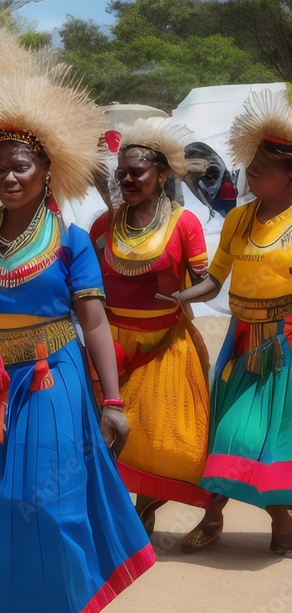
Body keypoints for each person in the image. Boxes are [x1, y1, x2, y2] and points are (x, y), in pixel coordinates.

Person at [0, 30, 152, 613]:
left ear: (48, 168)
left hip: (53, 378)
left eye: (20, 166)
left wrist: (112, 400)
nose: (9, 177)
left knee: (48, 501)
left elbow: (95, 321)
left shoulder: (72, 242)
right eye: (0, 169)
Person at [89, 118, 227, 551]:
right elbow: (85, 284)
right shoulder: (102, 226)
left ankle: (212, 511)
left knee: (175, 442)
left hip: (167, 344)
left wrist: (181, 295)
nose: (128, 179)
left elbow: (210, 281)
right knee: (122, 438)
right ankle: (138, 516)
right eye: (122, 173)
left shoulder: (184, 224)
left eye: (138, 172)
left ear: (162, 176)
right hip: (113, 346)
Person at [181, 88, 292, 554]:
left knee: (262, 438)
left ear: (288, 176)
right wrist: (176, 296)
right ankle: (214, 516)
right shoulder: (239, 218)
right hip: (241, 340)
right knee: (224, 430)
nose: (250, 175)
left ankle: (280, 522)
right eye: (250, 168)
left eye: (261, 172)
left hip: (282, 346)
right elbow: (215, 280)